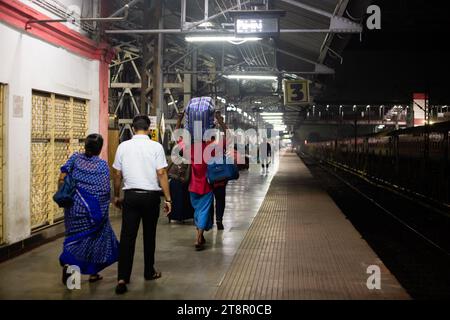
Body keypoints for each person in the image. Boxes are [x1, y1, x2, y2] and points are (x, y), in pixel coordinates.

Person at [112, 115, 172, 295]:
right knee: (149, 235)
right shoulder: (156, 146)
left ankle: (122, 278)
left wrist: (116, 196)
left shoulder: (123, 146)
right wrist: (168, 198)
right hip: (151, 197)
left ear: (132, 127)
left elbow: (117, 174)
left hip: (130, 196)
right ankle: (148, 271)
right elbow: (161, 173)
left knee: (127, 237)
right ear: (148, 128)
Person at [58, 134, 119, 285]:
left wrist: (64, 196)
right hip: (95, 211)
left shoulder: (75, 158)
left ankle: (74, 277)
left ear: (85, 146)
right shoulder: (102, 166)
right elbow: (105, 191)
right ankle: (90, 272)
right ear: (100, 149)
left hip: (74, 208)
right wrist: (105, 209)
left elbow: (61, 177)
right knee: (96, 239)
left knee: (74, 238)